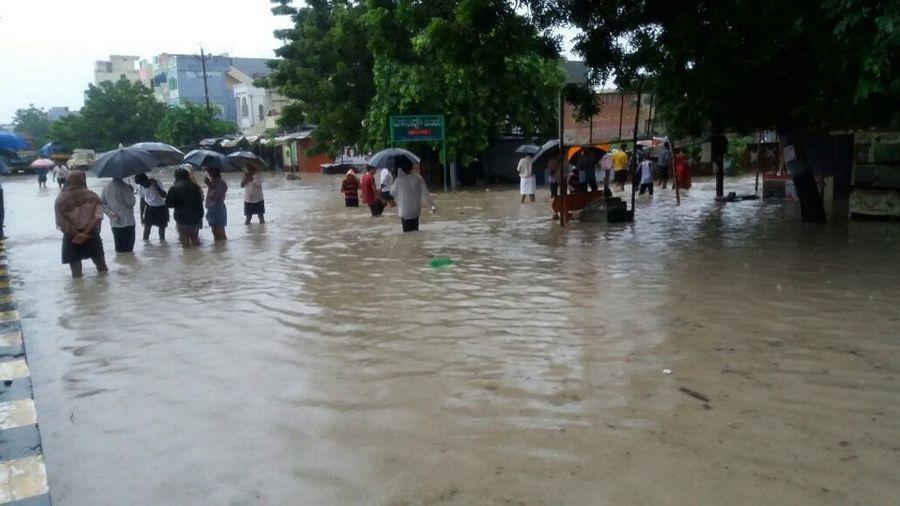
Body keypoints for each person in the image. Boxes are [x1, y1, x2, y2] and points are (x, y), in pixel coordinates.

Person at [54, 171, 108, 278]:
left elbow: (61, 222)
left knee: (76, 272)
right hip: (92, 234)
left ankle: (78, 289)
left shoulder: (61, 199)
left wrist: (77, 234)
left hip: (71, 237)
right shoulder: (93, 196)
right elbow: (98, 217)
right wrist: (85, 233)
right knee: (102, 267)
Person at [390, 162, 435, 232]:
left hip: (405, 212)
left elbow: (392, 193)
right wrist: (432, 206)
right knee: (415, 231)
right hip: (416, 211)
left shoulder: (398, 180)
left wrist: (394, 180)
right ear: (412, 168)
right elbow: (426, 194)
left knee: (407, 234)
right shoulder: (418, 178)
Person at [165, 166, 204, 248]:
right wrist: (200, 216)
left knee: (185, 244)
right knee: (195, 241)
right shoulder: (195, 187)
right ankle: (198, 255)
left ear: (176, 176)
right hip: (195, 217)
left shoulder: (174, 188)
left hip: (181, 218)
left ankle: (188, 256)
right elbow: (200, 203)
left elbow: (168, 204)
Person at [101, 177, 137, 253]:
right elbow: (131, 203)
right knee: (129, 250)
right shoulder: (125, 187)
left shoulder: (106, 188)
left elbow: (102, 205)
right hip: (128, 222)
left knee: (119, 249)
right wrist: (131, 192)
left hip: (114, 223)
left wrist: (112, 214)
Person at [134, 173, 169, 242]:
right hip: (150, 208)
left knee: (162, 232)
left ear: (146, 180)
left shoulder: (157, 182)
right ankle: (146, 246)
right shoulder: (140, 187)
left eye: (142, 183)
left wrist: (156, 185)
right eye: (140, 184)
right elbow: (142, 202)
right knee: (146, 232)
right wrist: (141, 217)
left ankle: (163, 245)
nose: (142, 185)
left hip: (161, 208)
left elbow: (164, 195)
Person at [204, 167, 228, 241]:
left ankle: (223, 246)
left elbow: (216, 196)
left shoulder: (221, 182)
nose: (208, 172)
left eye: (210, 170)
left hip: (218, 208)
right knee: (214, 231)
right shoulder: (213, 181)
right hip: (212, 208)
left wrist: (209, 185)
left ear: (216, 171)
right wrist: (210, 184)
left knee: (220, 231)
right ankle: (218, 246)